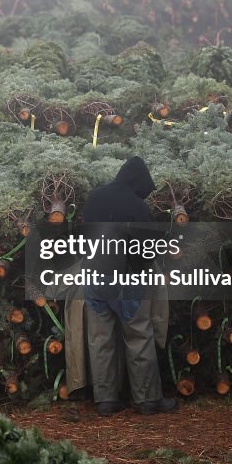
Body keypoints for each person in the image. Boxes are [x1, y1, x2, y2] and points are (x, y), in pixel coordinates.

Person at [81, 156, 175, 416]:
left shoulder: (94, 198)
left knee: (101, 338)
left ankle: (106, 400)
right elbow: (148, 248)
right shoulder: (137, 206)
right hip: (125, 278)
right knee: (138, 335)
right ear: (139, 182)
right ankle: (147, 401)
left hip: (92, 277)